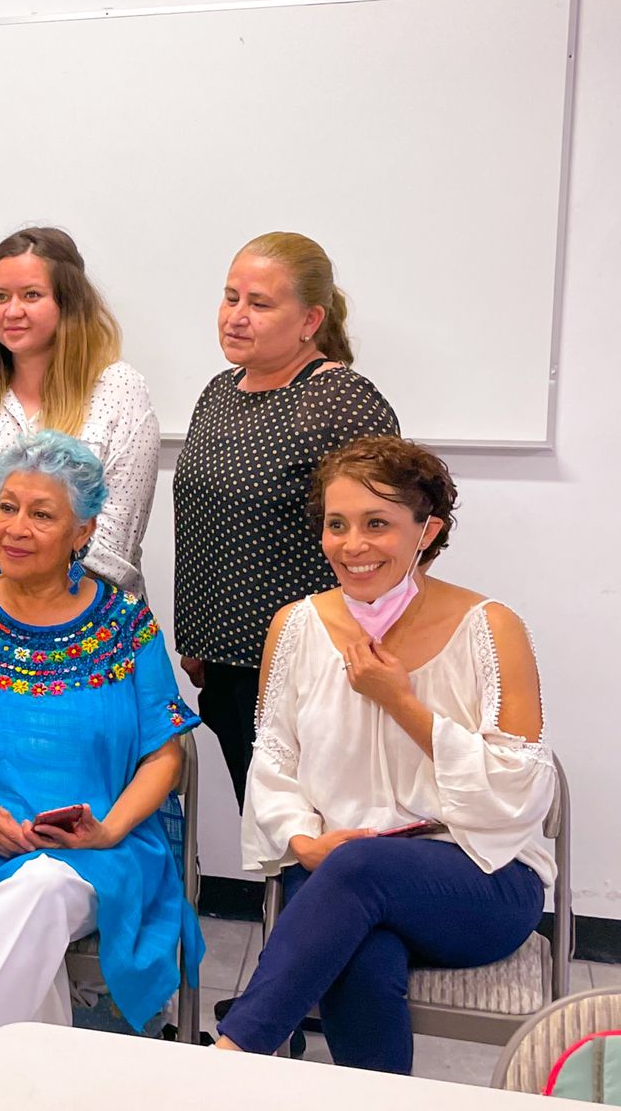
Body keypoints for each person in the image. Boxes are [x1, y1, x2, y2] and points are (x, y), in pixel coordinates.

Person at [215, 436, 553, 1073]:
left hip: (479, 877)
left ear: (428, 531)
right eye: (336, 525)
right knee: (361, 958)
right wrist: (304, 841)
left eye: (377, 524)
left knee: (359, 871)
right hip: (334, 867)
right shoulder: (295, 626)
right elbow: (274, 761)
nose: (353, 545)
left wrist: (401, 701)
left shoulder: (491, 627)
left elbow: (520, 790)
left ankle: (226, 1062)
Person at [0, 430, 203, 1055]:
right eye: (7, 507)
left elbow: (165, 753)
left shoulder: (126, 623)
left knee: (41, 886)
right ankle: (19, 1082)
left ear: (83, 532)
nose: (15, 528)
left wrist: (108, 831)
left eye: (42, 514)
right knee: (24, 930)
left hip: (95, 850)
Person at [173, 231, 400, 809]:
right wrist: (196, 638)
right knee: (266, 827)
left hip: (311, 668)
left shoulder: (342, 402)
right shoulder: (219, 393)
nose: (236, 316)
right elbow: (207, 523)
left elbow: (389, 535)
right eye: (231, 298)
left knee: (315, 829)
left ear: (310, 320)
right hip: (224, 666)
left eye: (259, 304)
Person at [0, 226, 158, 594]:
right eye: (0, 296)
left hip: (83, 613)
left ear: (68, 302)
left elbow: (115, 536)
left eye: (31, 295)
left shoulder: (120, 390)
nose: (12, 310)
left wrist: (44, 611)